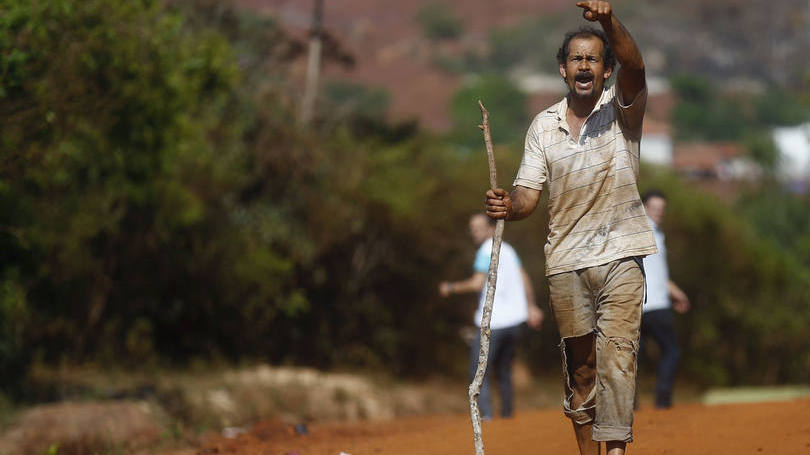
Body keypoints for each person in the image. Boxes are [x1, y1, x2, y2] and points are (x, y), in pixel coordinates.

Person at [484, 2, 656, 454]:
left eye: (593, 59)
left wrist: (607, 22)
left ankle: (616, 450)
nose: (584, 65)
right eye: (576, 59)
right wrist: (507, 205)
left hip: (621, 254)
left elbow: (636, 65)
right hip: (565, 261)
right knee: (582, 370)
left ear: (605, 71)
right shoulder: (543, 126)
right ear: (563, 70)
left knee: (618, 358)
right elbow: (527, 194)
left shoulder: (623, 110)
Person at [439, 213, 544, 420]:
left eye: (477, 228)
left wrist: (451, 287)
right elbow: (524, 278)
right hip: (515, 322)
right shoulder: (509, 250)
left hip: (493, 322)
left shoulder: (486, 250)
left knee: (479, 370)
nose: (473, 232)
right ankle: (507, 417)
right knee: (504, 370)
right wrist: (531, 306)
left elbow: (477, 283)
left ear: (490, 229)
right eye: (472, 228)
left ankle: (487, 417)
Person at [639, 190, 690, 409]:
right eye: (654, 208)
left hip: (639, 305)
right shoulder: (646, 233)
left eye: (662, 209)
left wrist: (676, 292)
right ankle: (662, 398)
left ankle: (629, 402)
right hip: (655, 304)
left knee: (634, 357)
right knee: (671, 350)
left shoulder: (656, 234)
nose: (659, 212)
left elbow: (658, 273)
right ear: (643, 208)